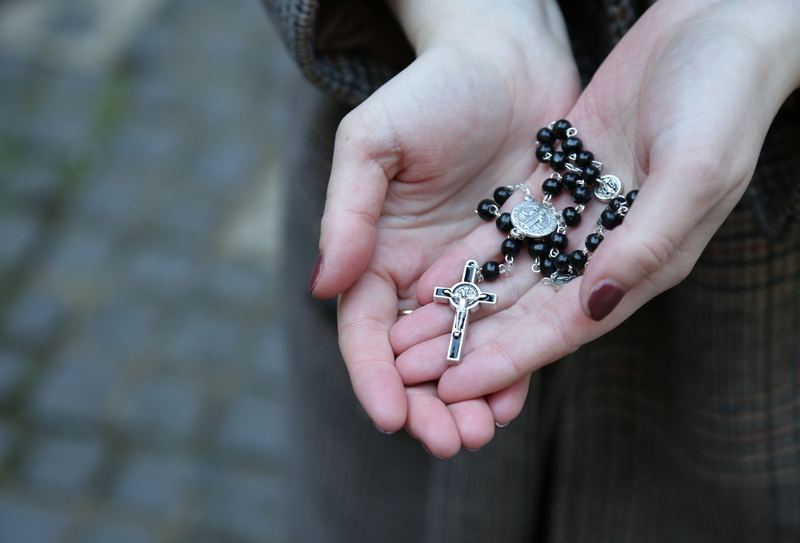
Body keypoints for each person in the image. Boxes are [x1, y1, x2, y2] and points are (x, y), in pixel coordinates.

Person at [265, 0, 800, 540]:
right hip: (423, 171)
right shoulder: (475, 261)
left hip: (747, 323)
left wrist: (765, 25)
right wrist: (471, 19)